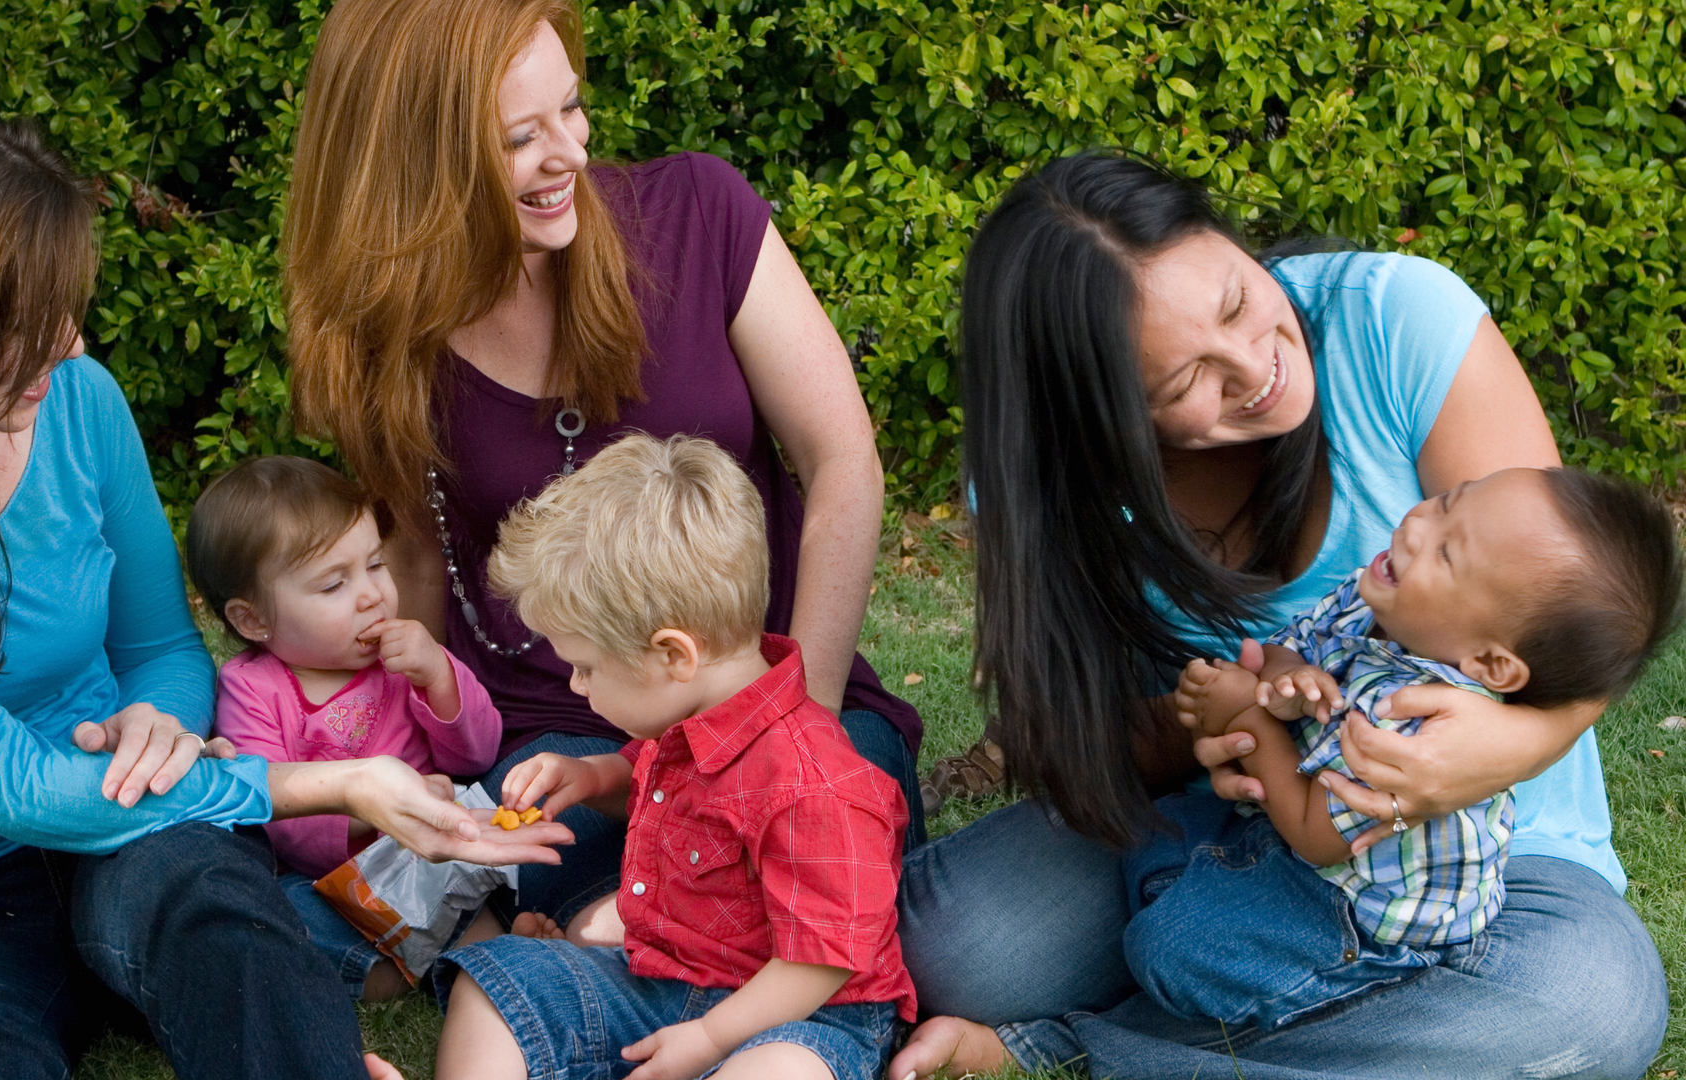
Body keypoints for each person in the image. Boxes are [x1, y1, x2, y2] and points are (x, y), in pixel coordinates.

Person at [0, 85, 564, 1080]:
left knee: (230, 935)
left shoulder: (77, 404)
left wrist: (160, 715)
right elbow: (18, 790)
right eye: (30, 317)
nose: (73, 342)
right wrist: (337, 778)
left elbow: (159, 647)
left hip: (130, 835)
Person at [889, 153, 1668, 1080]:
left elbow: (1581, 625)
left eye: (1234, 302)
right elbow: (1090, 743)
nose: (1253, 369)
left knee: (1590, 1005)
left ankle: (1081, 1047)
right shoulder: (1049, 489)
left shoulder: (1395, 321)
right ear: (1105, 426)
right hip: (1217, 827)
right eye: (1186, 387)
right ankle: (1287, 1013)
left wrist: (1492, 750)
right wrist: (1228, 723)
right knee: (954, 950)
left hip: (1465, 868)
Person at [281, 0, 923, 939]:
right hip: (562, 726)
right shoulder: (385, 331)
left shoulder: (700, 213)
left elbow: (844, 463)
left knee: (806, 834)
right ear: (417, 165)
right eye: (518, 138)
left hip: (779, 694)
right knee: (532, 843)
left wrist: (798, 740)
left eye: (571, 110)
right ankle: (616, 927)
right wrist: (421, 767)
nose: (570, 155)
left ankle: (627, 927)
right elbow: (415, 560)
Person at [1127, 467, 1681, 1031]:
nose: (1417, 525)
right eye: (1446, 502)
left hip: (1362, 916)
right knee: (1155, 834)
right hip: (1286, 843)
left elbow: (1315, 835)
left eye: (1446, 553)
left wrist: (1250, 717)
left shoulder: (1416, 718)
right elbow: (1284, 650)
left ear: (1491, 665)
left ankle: (1357, 992)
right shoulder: (1372, 600)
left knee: (1169, 947)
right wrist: (1286, 679)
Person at [432, 434, 913, 1080]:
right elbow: (652, 776)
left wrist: (713, 1037)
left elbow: (823, 959)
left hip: (797, 1012)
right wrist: (592, 774)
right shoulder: (687, 716)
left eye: (585, 667)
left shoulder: (813, 783)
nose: (575, 686)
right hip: (662, 975)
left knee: (781, 1073)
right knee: (496, 983)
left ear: (675, 656)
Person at [190, 455, 542, 1001]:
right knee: (281, 916)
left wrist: (440, 678)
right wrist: (368, 810)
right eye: (334, 585)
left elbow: (477, 753)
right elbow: (274, 813)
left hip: (432, 858)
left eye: (375, 565)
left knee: (486, 853)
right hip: (331, 885)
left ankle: (489, 952)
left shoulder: (402, 659)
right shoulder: (252, 687)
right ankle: (447, 962)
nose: (372, 593)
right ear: (253, 619)